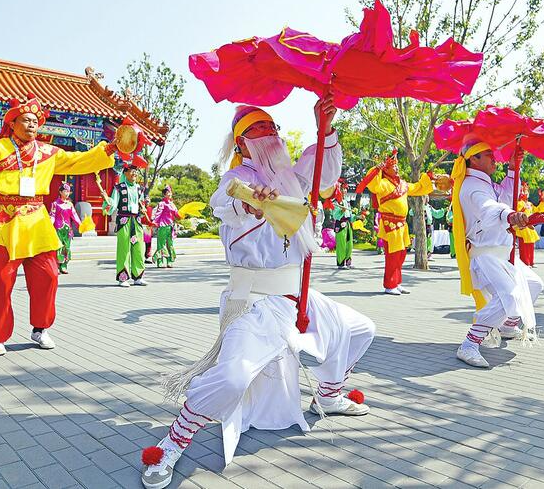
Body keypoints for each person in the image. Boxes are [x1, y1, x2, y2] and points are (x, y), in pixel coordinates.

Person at [140, 100, 374, 489]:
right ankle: (173, 442)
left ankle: (328, 395)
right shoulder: (236, 177)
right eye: (260, 128)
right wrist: (251, 201)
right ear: (242, 143)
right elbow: (226, 202)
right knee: (232, 378)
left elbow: (326, 171)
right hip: (254, 303)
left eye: (273, 126)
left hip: (299, 296)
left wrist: (325, 125)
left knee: (361, 329)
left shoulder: (293, 176)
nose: (271, 133)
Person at [0, 93, 118, 356]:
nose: (31, 125)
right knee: (3, 281)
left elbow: (80, 161)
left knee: (49, 276)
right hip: (6, 220)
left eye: (35, 121)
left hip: (37, 219)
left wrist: (109, 148)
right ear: (13, 123)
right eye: (26, 120)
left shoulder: (48, 152)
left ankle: (40, 328)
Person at [449, 140, 541, 368]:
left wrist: (512, 168)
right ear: (474, 159)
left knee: (533, 284)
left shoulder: (485, 183)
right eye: (488, 154)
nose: (494, 158)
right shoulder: (472, 186)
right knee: (508, 296)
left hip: (501, 254)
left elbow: (505, 198)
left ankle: (507, 325)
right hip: (486, 256)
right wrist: (509, 216)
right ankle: (469, 344)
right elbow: (489, 208)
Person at [356, 150, 433, 295]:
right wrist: (377, 168)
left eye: (397, 166)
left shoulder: (402, 184)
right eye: (394, 166)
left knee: (401, 254)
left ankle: (397, 282)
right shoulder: (383, 184)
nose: (397, 169)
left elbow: (417, 188)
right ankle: (389, 285)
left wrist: (427, 178)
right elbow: (373, 184)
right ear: (386, 169)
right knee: (392, 256)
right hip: (390, 224)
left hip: (402, 225)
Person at [104, 166, 148, 286]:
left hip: (137, 221)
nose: (135, 173)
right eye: (132, 171)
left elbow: (142, 203)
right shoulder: (119, 188)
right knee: (124, 249)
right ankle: (123, 278)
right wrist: (108, 202)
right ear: (125, 173)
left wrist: (143, 210)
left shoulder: (140, 189)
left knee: (138, 248)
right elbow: (112, 203)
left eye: (136, 171)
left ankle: (138, 277)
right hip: (124, 220)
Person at [49, 181, 82, 274]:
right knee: (58, 247)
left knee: (66, 248)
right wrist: (49, 225)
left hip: (67, 230)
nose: (67, 193)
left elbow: (74, 216)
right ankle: (56, 266)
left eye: (68, 191)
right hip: (58, 229)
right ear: (60, 192)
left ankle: (64, 266)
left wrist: (81, 225)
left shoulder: (70, 204)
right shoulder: (55, 204)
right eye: (65, 191)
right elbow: (52, 216)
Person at [150, 185, 180, 268]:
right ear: (164, 194)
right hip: (163, 226)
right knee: (161, 244)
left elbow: (176, 214)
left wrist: (182, 214)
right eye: (167, 193)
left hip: (170, 227)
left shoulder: (172, 204)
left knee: (170, 244)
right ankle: (160, 261)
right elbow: (158, 213)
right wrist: (155, 222)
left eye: (170, 192)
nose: (169, 194)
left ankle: (169, 261)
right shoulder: (161, 203)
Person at [514, 182, 539, 266]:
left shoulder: (529, 203)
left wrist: (542, 201)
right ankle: (525, 263)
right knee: (524, 245)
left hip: (530, 226)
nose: (526, 192)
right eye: (524, 191)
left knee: (531, 244)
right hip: (523, 227)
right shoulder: (519, 203)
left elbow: (539, 210)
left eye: (527, 190)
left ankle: (531, 262)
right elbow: (517, 212)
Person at [331, 194, 354, 269]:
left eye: (345, 190)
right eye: (343, 189)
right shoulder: (335, 202)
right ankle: (341, 263)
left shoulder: (346, 201)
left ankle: (348, 262)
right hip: (340, 224)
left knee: (349, 244)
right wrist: (341, 211)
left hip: (347, 224)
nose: (344, 191)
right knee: (341, 244)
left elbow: (349, 214)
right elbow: (334, 215)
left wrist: (356, 216)